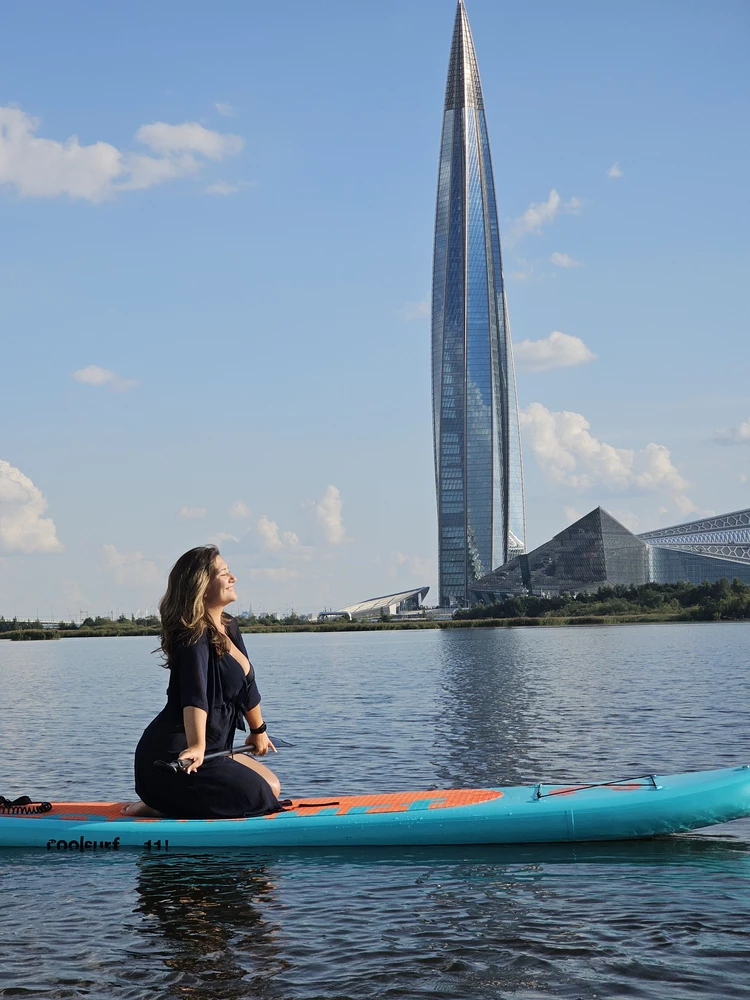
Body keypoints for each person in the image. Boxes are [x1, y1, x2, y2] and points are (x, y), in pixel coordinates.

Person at [122, 545, 281, 818]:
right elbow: (194, 697)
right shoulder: (193, 636)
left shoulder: (229, 626)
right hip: (173, 757)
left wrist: (259, 730)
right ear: (202, 586)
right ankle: (157, 803)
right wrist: (196, 745)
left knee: (272, 786)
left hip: (213, 750)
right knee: (257, 796)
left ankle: (171, 802)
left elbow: (248, 687)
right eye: (224, 573)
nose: (233, 578)